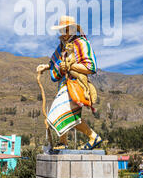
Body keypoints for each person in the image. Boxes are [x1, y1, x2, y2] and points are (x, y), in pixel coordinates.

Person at [36, 15, 102, 150]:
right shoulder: (61, 46)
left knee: (60, 111)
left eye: (66, 30)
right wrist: (47, 66)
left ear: (72, 29)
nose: (63, 33)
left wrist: (69, 66)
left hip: (76, 84)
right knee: (68, 114)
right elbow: (54, 62)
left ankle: (87, 138)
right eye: (62, 30)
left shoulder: (82, 43)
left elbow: (91, 67)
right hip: (65, 85)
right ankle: (67, 141)